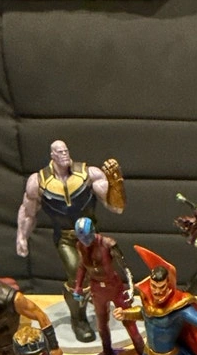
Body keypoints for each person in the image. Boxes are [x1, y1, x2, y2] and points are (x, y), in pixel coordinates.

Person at [16, 140, 126, 342]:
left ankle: (100, 302)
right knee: (77, 274)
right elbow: (28, 211)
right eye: (59, 152)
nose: (64, 154)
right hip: (66, 237)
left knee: (105, 271)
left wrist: (116, 185)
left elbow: (116, 208)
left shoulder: (89, 174)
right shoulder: (38, 181)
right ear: (52, 155)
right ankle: (78, 318)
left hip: (92, 236)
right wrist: (22, 236)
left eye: (66, 150)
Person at [72, 217, 144, 355]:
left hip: (115, 287)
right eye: (82, 238)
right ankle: (107, 354)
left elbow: (124, 266)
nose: (85, 241)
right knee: (102, 325)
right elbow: (82, 266)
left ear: (93, 232)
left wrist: (131, 288)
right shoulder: (80, 245)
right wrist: (78, 286)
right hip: (97, 288)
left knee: (129, 322)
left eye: (87, 237)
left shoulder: (108, 244)